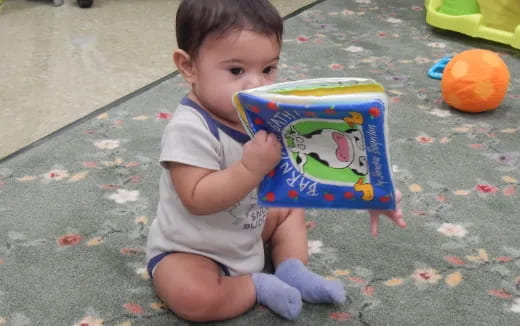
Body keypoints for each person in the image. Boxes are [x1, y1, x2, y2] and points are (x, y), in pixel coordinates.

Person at [146, 0, 406, 322]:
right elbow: (196, 198)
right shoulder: (189, 127)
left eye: (268, 69)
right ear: (188, 67)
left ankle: (292, 269)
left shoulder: (267, 115)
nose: (257, 84)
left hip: (249, 226)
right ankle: (255, 286)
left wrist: (371, 191)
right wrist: (250, 168)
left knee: (289, 209)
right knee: (193, 298)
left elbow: (314, 168)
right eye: (236, 70)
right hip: (194, 248)